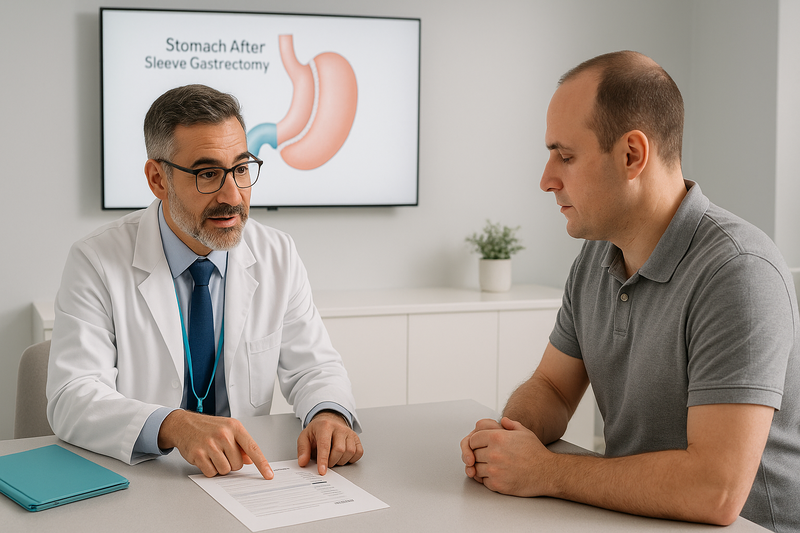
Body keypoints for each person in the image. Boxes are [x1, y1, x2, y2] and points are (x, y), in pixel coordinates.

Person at [460, 51, 800, 532]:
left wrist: (546, 471)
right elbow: (553, 388)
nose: (546, 180)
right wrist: (511, 437)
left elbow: (714, 489)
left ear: (632, 155)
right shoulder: (595, 258)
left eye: (565, 156)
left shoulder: (739, 272)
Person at [47, 84, 363, 480]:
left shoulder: (277, 253)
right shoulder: (95, 260)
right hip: (147, 478)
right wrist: (173, 425)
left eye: (241, 169)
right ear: (158, 179)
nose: (233, 195)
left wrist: (329, 413)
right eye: (208, 174)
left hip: (244, 478)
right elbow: (71, 396)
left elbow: (314, 366)